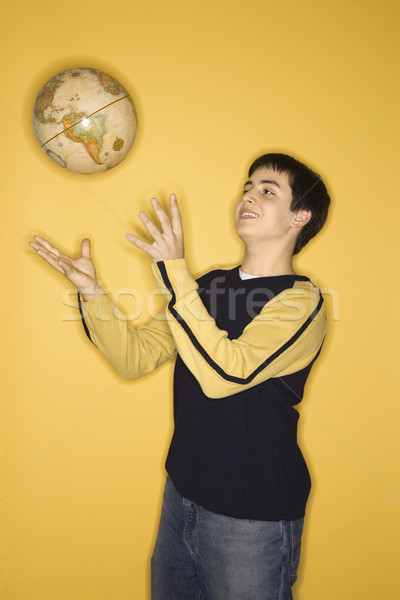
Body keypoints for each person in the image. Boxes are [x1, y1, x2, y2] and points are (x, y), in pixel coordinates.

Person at [29, 152, 331, 599]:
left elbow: (225, 374)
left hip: (252, 520)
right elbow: (136, 357)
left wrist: (174, 273)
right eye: (248, 186)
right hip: (182, 498)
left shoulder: (302, 302)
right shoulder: (207, 286)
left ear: (300, 216)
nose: (248, 195)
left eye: (268, 190)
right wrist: (92, 293)